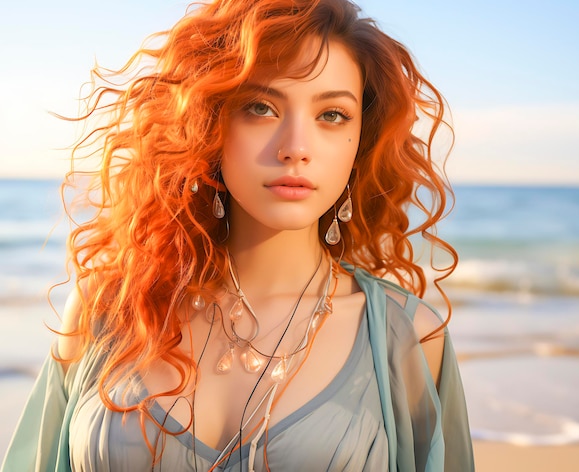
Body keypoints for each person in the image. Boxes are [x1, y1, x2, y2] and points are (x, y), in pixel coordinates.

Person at [1, 0, 474, 470]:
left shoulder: (406, 338)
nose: (296, 148)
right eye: (261, 107)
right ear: (209, 122)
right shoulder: (108, 307)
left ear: (360, 141)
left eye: (332, 115)